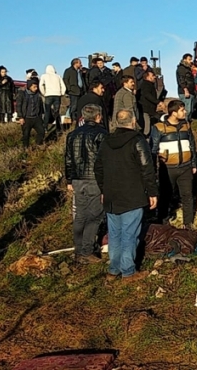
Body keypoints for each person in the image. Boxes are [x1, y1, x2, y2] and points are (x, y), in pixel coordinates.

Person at [94, 109, 157, 282]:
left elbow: (98, 168)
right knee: (130, 233)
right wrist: (152, 192)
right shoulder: (138, 140)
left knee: (114, 233)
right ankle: (128, 271)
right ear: (134, 120)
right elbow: (147, 168)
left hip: (111, 195)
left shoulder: (106, 141)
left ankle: (113, 269)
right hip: (133, 194)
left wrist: (103, 189)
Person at [64, 104, 107, 264]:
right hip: (94, 180)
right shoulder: (102, 134)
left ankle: (79, 249)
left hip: (77, 179)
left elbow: (68, 159)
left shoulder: (72, 135)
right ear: (98, 117)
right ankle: (87, 251)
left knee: (80, 215)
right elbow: (103, 161)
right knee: (94, 216)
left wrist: (69, 180)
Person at [151, 101, 197, 228]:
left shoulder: (186, 126)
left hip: (186, 167)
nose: (185, 112)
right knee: (165, 195)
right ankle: (162, 220)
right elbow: (153, 150)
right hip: (167, 168)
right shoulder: (159, 128)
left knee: (187, 195)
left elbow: (192, 145)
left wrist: (193, 164)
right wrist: (154, 169)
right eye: (182, 110)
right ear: (173, 112)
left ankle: (188, 223)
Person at [17, 79, 45, 148]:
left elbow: (41, 107)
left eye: (36, 87)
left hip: (36, 118)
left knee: (41, 132)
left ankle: (38, 145)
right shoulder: (22, 94)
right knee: (26, 135)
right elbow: (19, 105)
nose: (36, 88)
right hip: (26, 118)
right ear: (29, 87)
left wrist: (41, 116)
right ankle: (25, 148)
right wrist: (20, 117)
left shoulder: (38, 95)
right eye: (34, 87)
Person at [40, 65, 66, 131]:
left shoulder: (44, 76)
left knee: (47, 111)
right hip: (57, 95)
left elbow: (41, 85)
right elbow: (63, 86)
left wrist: (44, 93)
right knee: (56, 112)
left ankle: (45, 127)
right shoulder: (58, 76)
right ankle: (58, 128)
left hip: (48, 95)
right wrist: (62, 93)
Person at [63, 58, 85, 123]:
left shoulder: (79, 71)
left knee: (79, 105)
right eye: (79, 63)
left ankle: (77, 118)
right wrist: (69, 88)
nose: (81, 64)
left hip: (80, 91)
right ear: (75, 63)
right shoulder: (68, 71)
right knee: (73, 106)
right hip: (73, 91)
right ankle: (71, 118)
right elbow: (65, 80)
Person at [137, 69, 159, 135]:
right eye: (152, 75)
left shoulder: (149, 85)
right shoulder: (146, 85)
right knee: (146, 129)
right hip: (145, 109)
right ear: (148, 77)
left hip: (149, 109)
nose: (154, 77)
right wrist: (158, 102)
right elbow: (147, 95)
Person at [176, 54, 195, 120]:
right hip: (185, 92)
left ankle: (187, 125)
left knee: (190, 110)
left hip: (191, 91)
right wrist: (185, 90)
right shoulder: (182, 68)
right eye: (189, 59)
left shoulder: (188, 69)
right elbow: (182, 80)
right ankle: (184, 125)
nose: (191, 61)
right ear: (184, 59)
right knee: (186, 111)